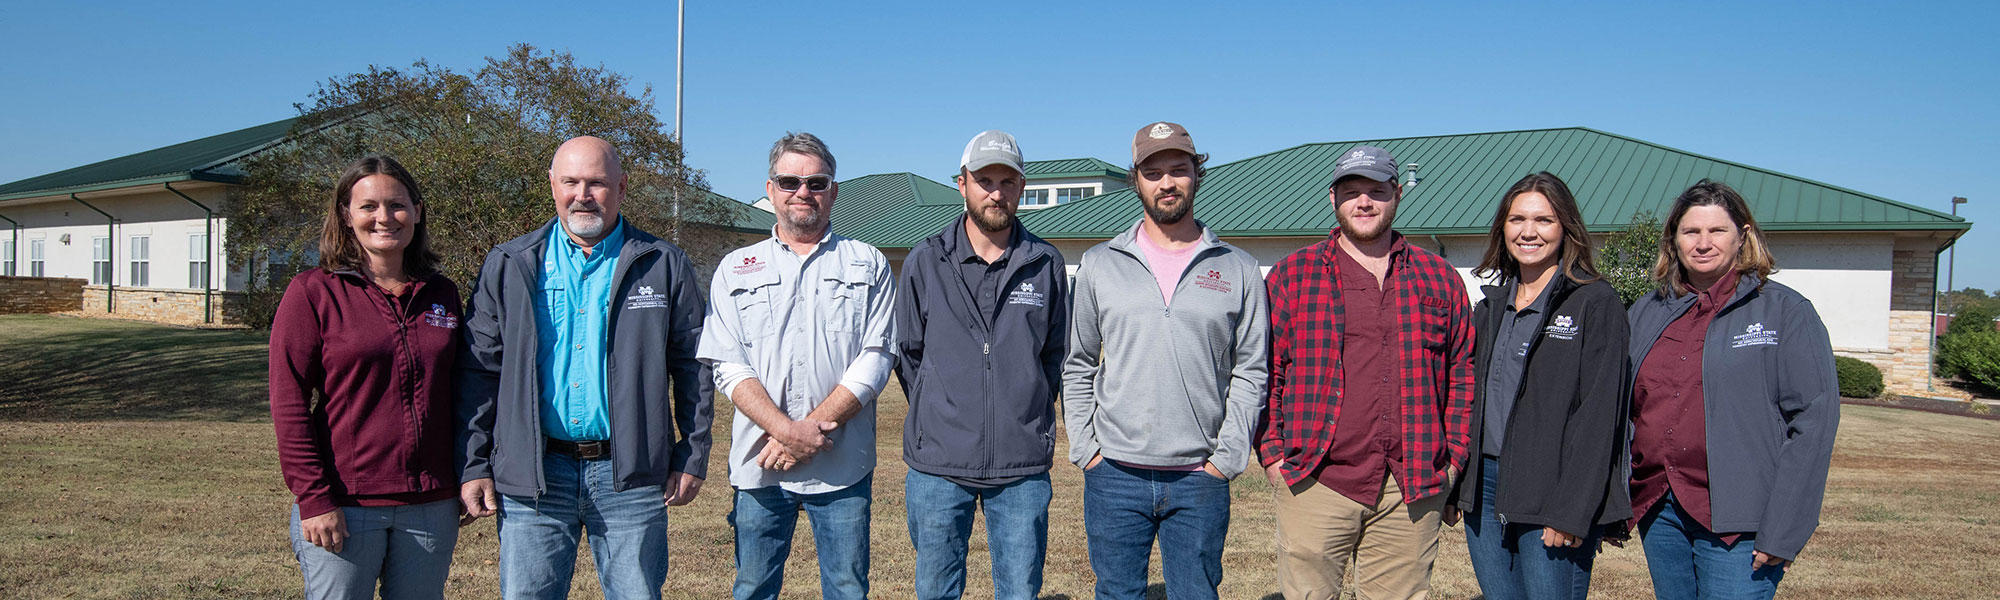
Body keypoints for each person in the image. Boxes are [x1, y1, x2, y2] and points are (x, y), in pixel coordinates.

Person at [455, 136, 714, 600]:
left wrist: (692, 454)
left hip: (629, 473)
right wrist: (473, 463)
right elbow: (480, 371)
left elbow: (694, 367)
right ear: (552, 185)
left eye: (596, 182)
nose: (583, 194)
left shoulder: (662, 264)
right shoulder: (511, 263)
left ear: (621, 187)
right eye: (571, 181)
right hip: (533, 475)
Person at [1256, 145, 1475, 600]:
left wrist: (1452, 458)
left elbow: (1462, 372)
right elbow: (1266, 371)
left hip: (1410, 482)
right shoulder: (1291, 276)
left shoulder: (1439, 278)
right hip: (1316, 479)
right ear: (1333, 197)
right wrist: (1274, 454)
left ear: (1397, 194)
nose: (1364, 202)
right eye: (1351, 191)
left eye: (1376, 191)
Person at [1062, 121, 1267, 600]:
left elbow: (1252, 369)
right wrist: (1087, 451)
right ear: (1136, 179)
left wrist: (1227, 457)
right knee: (1116, 593)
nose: (1167, 182)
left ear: (1198, 174)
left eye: (1179, 169)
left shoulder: (1236, 267)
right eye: (1153, 172)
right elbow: (1078, 363)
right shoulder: (1100, 263)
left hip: (1200, 476)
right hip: (1114, 473)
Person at [697, 132, 896, 600]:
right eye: (790, 181)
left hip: (841, 464)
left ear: (833, 190)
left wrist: (805, 433)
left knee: (848, 588)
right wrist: (787, 431)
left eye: (816, 182)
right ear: (770, 190)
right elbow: (727, 364)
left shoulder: (868, 263)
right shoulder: (734, 267)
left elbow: (876, 358)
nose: (802, 192)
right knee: (752, 587)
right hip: (760, 465)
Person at [1625, 179, 1840, 600]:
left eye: (1717, 231)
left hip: (1741, 521)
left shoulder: (1784, 311)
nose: (1703, 243)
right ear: (1674, 240)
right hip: (1661, 507)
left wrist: (1785, 527)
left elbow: (1813, 423)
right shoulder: (1646, 312)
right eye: (1690, 231)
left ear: (1743, 235)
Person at [270, 155, 462, 599]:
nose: (384, 218)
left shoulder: (442, 293)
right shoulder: (313, 292)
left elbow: (460, 392)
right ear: (346, 215)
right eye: (368, 206)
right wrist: (314, 499)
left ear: (417, 211)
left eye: (397, 205)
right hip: (345, 505)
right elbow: (289, 401)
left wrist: (462, 477)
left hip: (430, 506)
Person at [893, 130, 1067, 600]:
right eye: (984, 179)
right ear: (962, 183)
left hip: (1021, 467)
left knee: (1019, 590)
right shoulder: (926, 260)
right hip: (939, 465)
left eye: (1007, 181)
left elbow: (1054, 355)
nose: (996, 192)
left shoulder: (1045, 263)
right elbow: (908, 353)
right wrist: (941, 405)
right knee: (935, 589)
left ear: (1022, 187)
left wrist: (1022, 409)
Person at [1448, 172, 1630, 600]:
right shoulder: (1492, 307)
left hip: (1554, 489)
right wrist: (1460, 486)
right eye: (1517, 220)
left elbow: (1601, 416)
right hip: (1486, 486)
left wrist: (1573, 509)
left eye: (1544, 220)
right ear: (1502, 228)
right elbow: (1470, 400)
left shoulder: (1595, 302)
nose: (1528, 231)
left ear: (1566, 228)